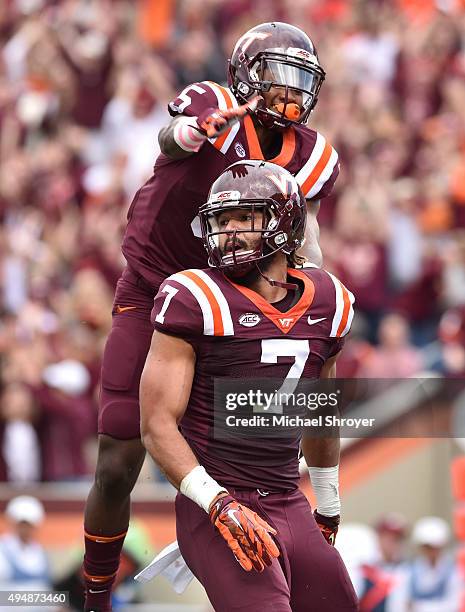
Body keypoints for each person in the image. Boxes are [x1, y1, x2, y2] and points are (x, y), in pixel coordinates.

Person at [83, 21, 340, 612]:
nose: (291, 94)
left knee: (275, 425)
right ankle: (96, 598)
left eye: (302, 81)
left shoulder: (315, 155)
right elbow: (171, 140)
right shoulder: (217, 107)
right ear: (246, 76)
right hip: (154, 288)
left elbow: (309, 237)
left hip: (230, 298)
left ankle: (298, 518)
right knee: (121, 453)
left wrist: (313, 294)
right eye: (278, 78)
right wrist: (195, 132)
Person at [140, 160, 357, 611]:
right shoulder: (195, 296)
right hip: (216, 501)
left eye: (245, 218)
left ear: (284, 223)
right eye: (222, 221)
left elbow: (319, 413)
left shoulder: (328, 300)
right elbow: (157, 424)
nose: (230, 231)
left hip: (285, 495)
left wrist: (329, 503)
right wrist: (216, 502)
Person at [0, 496, 50, 596]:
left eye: (29, 525)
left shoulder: (39, 551)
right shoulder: (3, 550)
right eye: (21, 524)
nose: (25, 529)